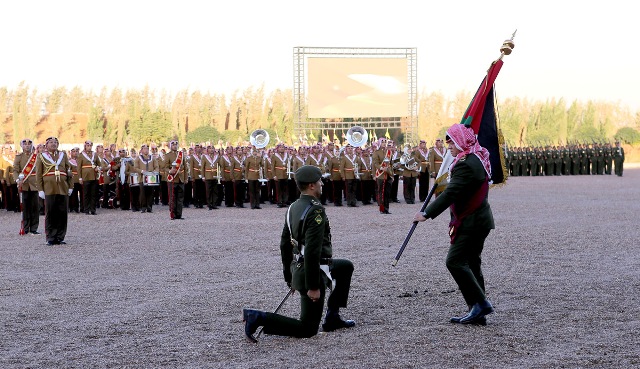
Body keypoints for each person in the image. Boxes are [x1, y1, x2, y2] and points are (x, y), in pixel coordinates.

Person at [243, 165, 355, 342]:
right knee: (308, 328)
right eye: (319, 181)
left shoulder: (293, 206)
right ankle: (258, 317)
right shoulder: (315, 210)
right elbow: (311, 251)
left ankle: (332, 317)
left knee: (345, 267)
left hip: (300, 268)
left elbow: (284, 245)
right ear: (311, 185)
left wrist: (290, 277)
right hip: (313, 271)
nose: (322, 184)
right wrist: (313, 287)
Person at [413, 124, 495, 325]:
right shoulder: (476, 158)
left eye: (452, 141)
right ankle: (477, 310)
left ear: (462, 142)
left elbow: (451, 193)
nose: (448, 145)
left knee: (455, 261)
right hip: (480, 220)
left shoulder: (465, 163)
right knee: (472, 263)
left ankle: (481, 303)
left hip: (471, 221)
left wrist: (427, 213)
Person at [36, 137, 73, 245]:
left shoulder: (63, 155)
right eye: (51, 142)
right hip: (49, 188)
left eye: (55, 142)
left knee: (62, 213)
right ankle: (51, 237)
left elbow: (68, 171)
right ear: (46, 145)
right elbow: (39, 174)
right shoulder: (41, 156)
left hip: (63, 187)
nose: (53, 144)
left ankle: (60, 236)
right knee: (50, 213)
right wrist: (40, 189)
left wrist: (70, 186)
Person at [14, 138, 40, 234]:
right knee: (25, 207)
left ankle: (34, 228)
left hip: (35, 184)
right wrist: (17, 179)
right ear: (22, 146)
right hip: (23, 184)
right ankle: (25, 228)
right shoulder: (19, 157)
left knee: (35, 207)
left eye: (29, 144)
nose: (27, 146)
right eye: (25, 144)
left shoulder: (36, 157)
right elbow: (15, 170)